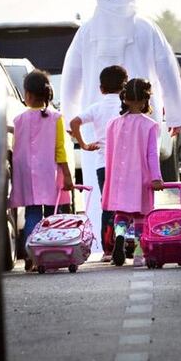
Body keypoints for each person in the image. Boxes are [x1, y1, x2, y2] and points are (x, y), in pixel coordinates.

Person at [60, 0, 181, 253]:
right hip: (143, 119)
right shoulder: (146, 28)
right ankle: (141, 240)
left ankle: (101, 241)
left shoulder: (87, 31)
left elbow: (71, 75)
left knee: (102, 186)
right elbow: (167, 71)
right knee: (142, 179)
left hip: (100, 124)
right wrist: (176, 115)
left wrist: (70, 117)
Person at [9, 70, 75, 272]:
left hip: (26, 174)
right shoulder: (56, 118)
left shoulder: (18, 119)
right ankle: (50, 252)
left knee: (32, 214)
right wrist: (67, 175)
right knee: (52, 215)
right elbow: (60, 150)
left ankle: (31, 254)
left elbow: (15, 147)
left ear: (27, 95)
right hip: (49, 173)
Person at [101, 78, 165, 267]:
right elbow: (152, 155)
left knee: (121, 214)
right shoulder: (149, 125)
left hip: (119, 178)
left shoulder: (113, 124)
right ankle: (138, 254)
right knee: (140, 217)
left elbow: (109, 154)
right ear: (145, 100)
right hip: (141, 178)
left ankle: (119, 237)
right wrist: (156, 178)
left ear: (125, 99)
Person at [68, 65, 129, 262]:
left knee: (108, 206)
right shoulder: (126, 108)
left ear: (101, 88)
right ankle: (127, 241)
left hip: (104, 165)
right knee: (128, 206)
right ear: (125, 86)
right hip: (127, 165)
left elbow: (74, 122)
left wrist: (84, 145)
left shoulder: (97, 108)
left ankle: (108, 250)